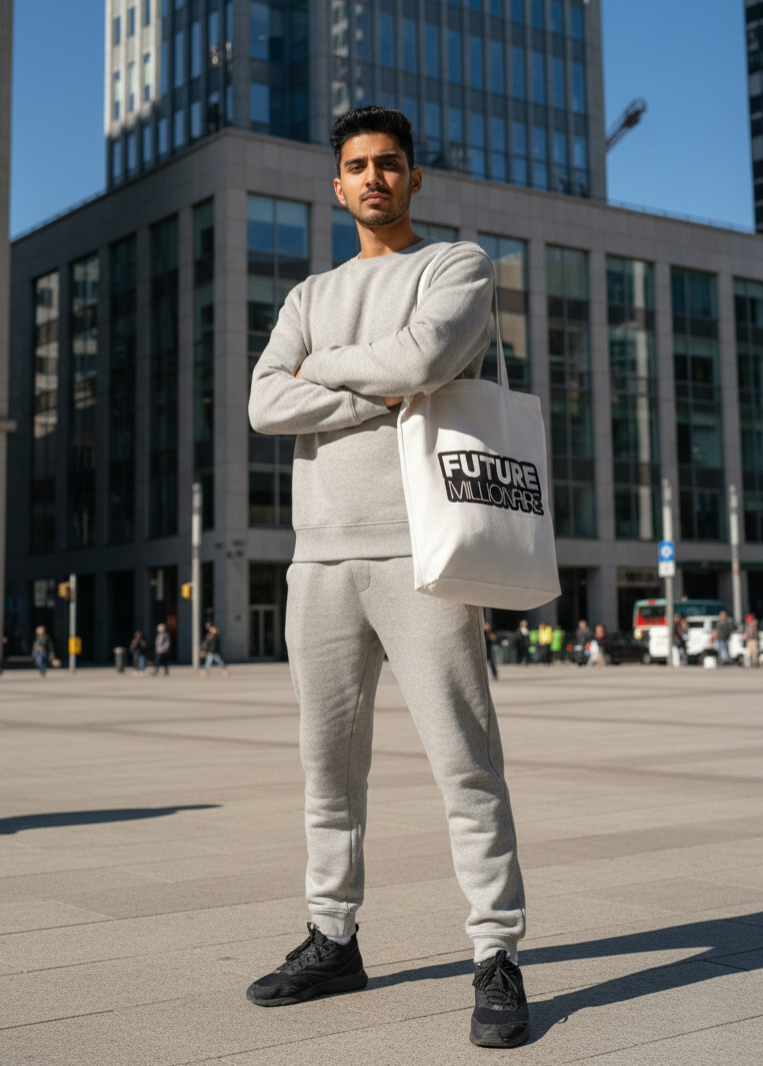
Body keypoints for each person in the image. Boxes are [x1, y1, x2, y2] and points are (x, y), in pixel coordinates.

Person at [246, 107, 529, 1049]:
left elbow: (429, 355)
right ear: (337, 186)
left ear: (415, 180)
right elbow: (261, 403)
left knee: (465, 764)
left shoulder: (458, 266)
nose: (373, 178)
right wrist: (376, 377)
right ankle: (334, 938)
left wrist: (323, 377)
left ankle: (496, 953)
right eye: (358, 166)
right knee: (327, 771)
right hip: (318, 558)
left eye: (390, 165)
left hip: (425, 550)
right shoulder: (307, 295)